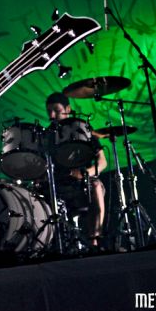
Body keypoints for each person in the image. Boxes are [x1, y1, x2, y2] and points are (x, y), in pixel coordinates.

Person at [45, 92, 107, 248]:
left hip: (83, 181)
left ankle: (95, 242)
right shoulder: (47, 135)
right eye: (49, 111)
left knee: (96, 186)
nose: (52, 115)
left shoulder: (82, 128)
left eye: (56, 110)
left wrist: (85, 174)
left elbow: (102, 162)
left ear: (68, 109)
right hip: (58, 183)